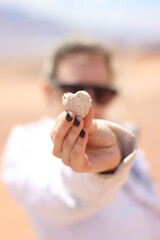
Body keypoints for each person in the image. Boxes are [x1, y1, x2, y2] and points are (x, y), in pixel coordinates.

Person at [1, 37, 160, 240]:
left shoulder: (123, 141)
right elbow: (58, 195)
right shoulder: (24, 145)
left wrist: (118, 153)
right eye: (75, 89)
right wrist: (93, 171)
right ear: (47, 90)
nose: (91, 103)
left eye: (102, 93)